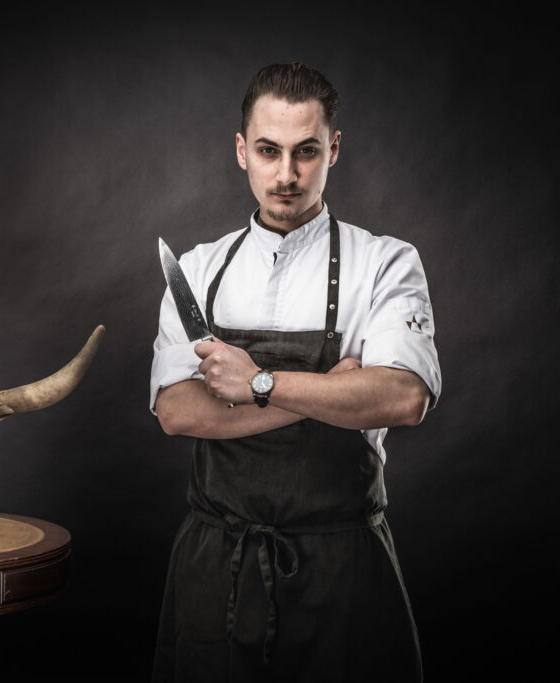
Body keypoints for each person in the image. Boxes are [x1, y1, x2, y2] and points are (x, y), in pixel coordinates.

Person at [149, 63, 441, 682]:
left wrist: (258, 384)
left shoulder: (385, 263)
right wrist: (334, 391)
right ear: (241, 151)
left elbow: (404, 396)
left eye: (306, 152)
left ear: (333, 148)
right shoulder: (199, 271)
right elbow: (177, 410)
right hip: (217, 560)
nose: (286, 175)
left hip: (342, 561)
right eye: (269, 151)